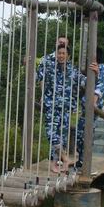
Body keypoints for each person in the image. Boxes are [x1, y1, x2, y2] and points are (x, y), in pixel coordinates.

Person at [37, 44, 79, 173]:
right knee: (51, 134)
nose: (61, 55)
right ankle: (65, 158)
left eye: (63, 53)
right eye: (59, 53)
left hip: (65, 108)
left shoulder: (72, 70)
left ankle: (55, 164)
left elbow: (82, 82)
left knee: (62, 137)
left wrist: (96, 73)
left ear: (68, 56)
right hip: (51, 106)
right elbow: (38, 76)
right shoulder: (49, 66)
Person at [75, 49, 104, 170]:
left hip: (93, 108)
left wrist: (93, 103)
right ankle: (80, 160)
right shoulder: (87, 68)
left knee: (87, 134)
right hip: (85, 108)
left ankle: (85, 162)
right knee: (79, 134)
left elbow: (101, 86)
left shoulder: (102, 67)